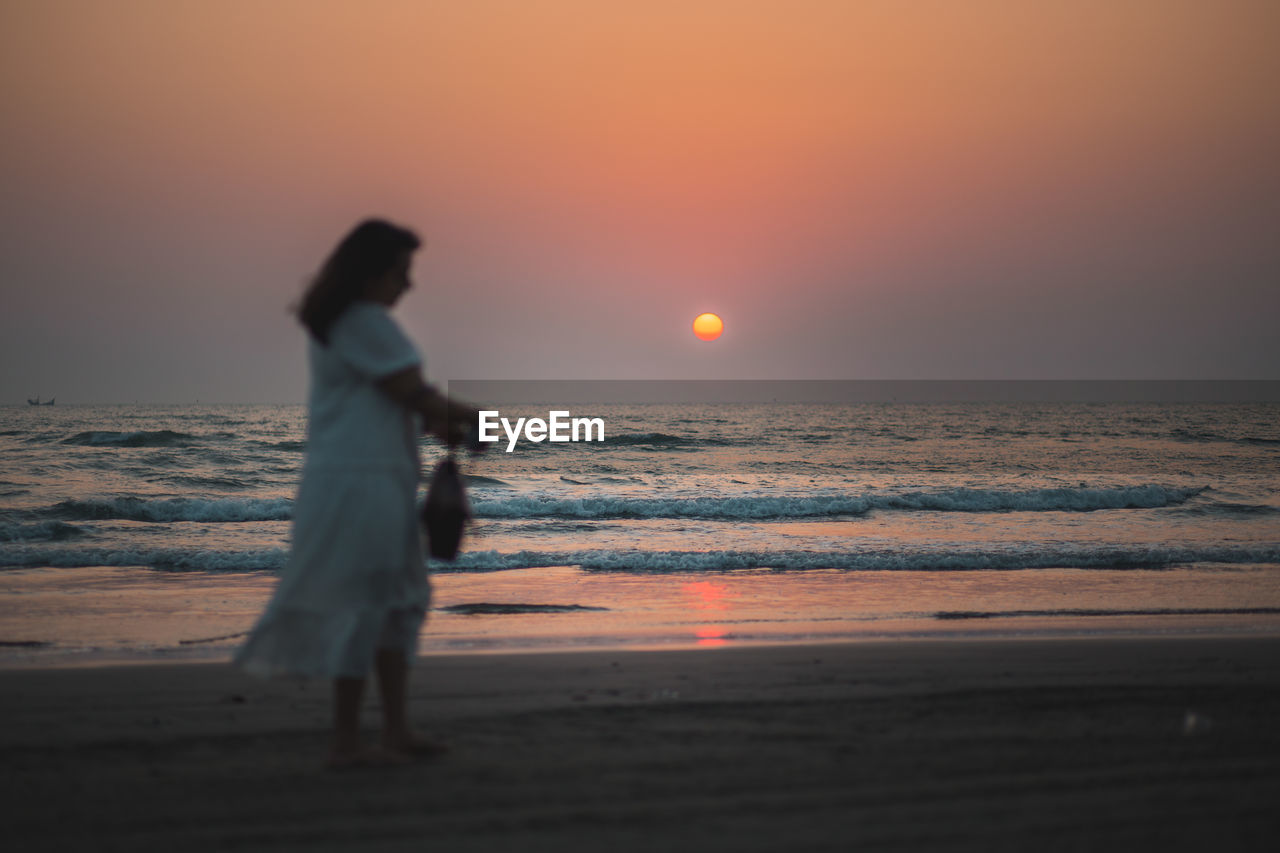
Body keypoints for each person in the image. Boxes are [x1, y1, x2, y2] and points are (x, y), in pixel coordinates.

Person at [235, 218, 474, 768]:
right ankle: (349, 740)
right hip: (360, 485)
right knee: (369, 602)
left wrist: (446, 422)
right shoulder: (365, 321)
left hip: (366, 479)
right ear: (371, 272)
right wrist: (476, 422)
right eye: (400, 271)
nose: (407, 285)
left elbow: (397, 401)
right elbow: (412, 393)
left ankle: (393, 730)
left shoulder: (345, 323)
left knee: (394, 601)